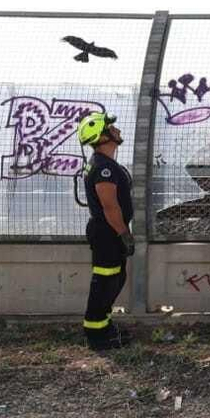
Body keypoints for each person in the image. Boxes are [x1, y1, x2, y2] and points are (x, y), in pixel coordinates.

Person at [78, 111, 135, 352]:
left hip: (108, 232)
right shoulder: (104, 168)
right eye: (111, 127)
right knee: (105, 282)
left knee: (115, 279)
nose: (116, 130)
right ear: (102, 137)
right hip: (108, 233)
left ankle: (103, 325)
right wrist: (124, 234)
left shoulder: (104, 164)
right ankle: (96, 335)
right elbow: (110, 207)